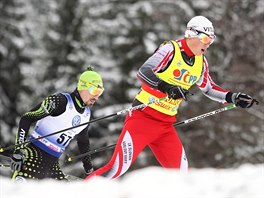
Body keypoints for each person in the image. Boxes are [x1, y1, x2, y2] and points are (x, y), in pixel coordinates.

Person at [85, 16, 258, 181]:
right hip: (142, 118)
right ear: (192, 34)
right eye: (206, 39)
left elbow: (209, 88)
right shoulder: (171, 49)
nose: (208, 44)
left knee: (183, 177)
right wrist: (166, 87)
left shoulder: (201, 63)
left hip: (165, 126)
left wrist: (232, 97)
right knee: (117, 168)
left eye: (211, 40)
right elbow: (144, 71)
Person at [11, 66, 104, 181]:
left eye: (100, 92)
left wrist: (89, 170)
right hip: (32, 157)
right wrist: (18, 150)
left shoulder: (86, 115)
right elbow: (26, 118)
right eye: (95, 91)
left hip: (52, 166)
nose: (96, 96)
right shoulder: (60, 100)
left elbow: (83, 142)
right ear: (83, 86)